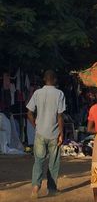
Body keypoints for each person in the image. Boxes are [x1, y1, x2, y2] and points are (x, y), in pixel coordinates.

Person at [27, 70, 66, 199]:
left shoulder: (37, 93)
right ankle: (52, 189)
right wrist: (61, 133)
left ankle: (35, 187)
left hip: (40, 133)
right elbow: (60, 116)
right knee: (53, 162)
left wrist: (35, 125)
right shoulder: (59, 94)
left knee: (38, 161)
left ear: (44, 79)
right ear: (54, 80)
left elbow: (29, 113)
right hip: (54, 133)